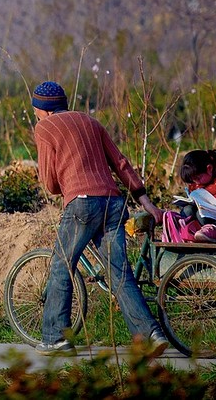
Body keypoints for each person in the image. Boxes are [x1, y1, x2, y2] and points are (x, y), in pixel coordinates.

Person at [30, 80, 169, 356]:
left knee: (62, 265)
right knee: (120, 273)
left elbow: (49, 182)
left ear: (42, 110)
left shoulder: (44, 128)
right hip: (115, 203)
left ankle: (56, 337)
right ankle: (151, 333)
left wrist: (63, 186)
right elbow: (120, 163)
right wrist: (146, 200)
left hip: (82, 204)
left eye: (35, 111)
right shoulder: (90, 122)